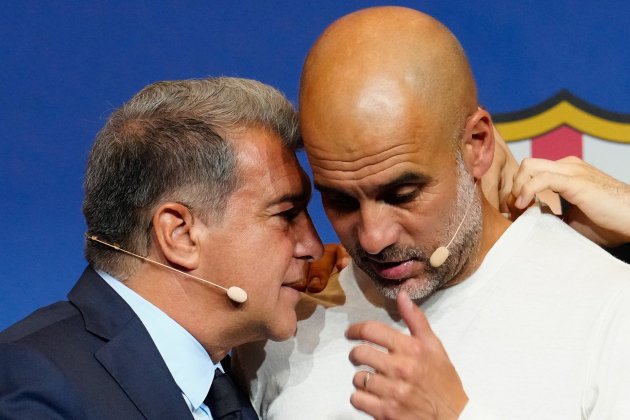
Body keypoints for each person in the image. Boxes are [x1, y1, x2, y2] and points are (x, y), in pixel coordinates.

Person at [234, 6, 630, 419]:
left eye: (403, 194)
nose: (373, 237)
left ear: (477, 145)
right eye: (341, 201)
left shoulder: (612, 308)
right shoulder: (282, 328)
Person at [0, 77, 325, 419]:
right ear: (181, 235)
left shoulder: (231, 389)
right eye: (287, 214)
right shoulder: (30, 384)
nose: (313, 246)